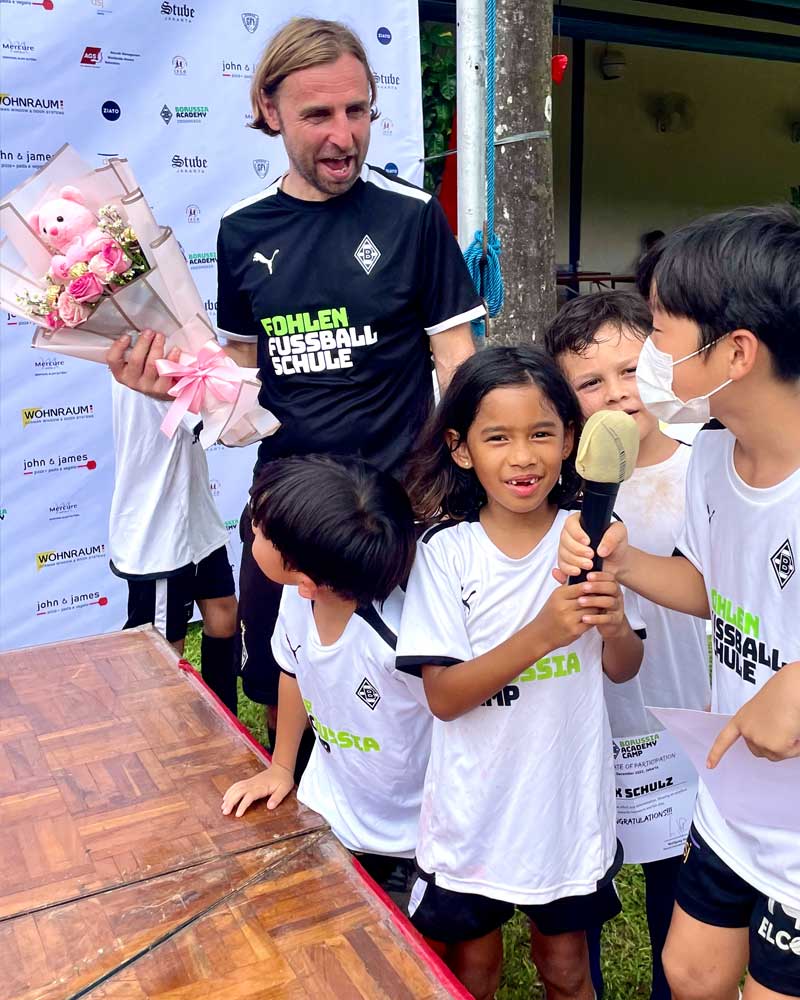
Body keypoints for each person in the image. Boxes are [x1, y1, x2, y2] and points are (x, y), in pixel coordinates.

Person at [106, 17, 483, 749]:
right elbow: (241, 376)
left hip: (395, 511)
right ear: (271, 111)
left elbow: (457, 360)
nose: (343, 135)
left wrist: (470, 481)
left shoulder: (411, 218)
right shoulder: (243, 230)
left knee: (401, 703)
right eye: (318, 115)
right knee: (285, 697)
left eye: (357, 110)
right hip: (285, 511)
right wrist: (171, 388)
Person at [557, 204, 800, 1000]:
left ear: (736, 352)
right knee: (689, 971)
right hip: (732, 797)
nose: (648, 360)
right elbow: (712, 586)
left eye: (661, 332)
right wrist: (624, 565)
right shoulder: (714, 457)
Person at [395, 346, 645, 1000]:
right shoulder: (446, 554)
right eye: (497, 437)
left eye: (542, 433)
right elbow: (445, 698)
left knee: (566, 970)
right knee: (472, 974)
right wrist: (543, 634)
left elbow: (624, 668)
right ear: (460, 449)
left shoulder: (591, 537)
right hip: (472, 815)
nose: (523, 456)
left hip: (565, 812)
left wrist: (613, 624)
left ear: (571, 441)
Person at [545, 290, 710, 1000]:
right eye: (590, 382)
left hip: (687, 723)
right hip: (588, 730)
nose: (616, 395)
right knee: (584, 907)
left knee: (683, 918)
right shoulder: (552, 486)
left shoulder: (708, 463)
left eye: (629, 370)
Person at [221, 454, 431, 900]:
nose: (250, 531)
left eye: (258, 532)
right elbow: (294, 669)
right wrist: (281, 767)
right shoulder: (299, 599)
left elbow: (457, 723)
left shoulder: (400, 643)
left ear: (305, 577)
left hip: (410, 841)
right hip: (328, 811)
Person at [109, 382, 238, 712]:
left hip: (197, 520)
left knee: (224, 616)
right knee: (163, 650)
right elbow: (225, 426)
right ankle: (165, 743)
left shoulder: (171, 349)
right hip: (159, 533)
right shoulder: (150, 364)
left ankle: (222, 728)